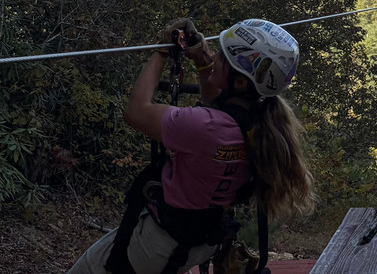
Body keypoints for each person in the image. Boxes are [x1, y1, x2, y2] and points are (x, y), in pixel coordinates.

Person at [69, 18, 316, 274]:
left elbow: (136, 112)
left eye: (222, 57)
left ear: (240, 83)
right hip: (200, 240)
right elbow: (218, 109)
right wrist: (202, 60)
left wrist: (161, 50)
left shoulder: (203, 126)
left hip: (157, 244)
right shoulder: (260, 123)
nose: (215, 57)